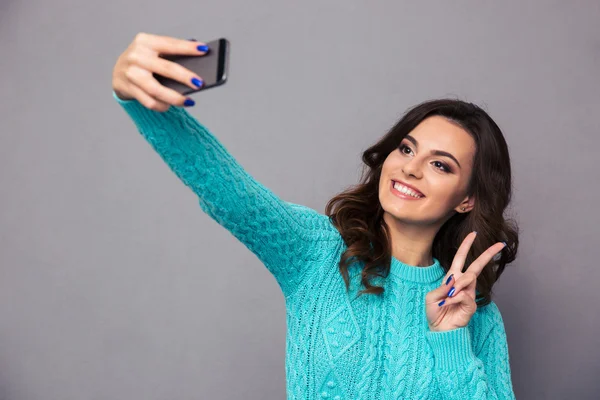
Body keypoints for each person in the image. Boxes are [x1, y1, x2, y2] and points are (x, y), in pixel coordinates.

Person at [111, 32, 518, 399]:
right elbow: (228, 191)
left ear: (467, 200)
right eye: (407, 149)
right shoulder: (317, 252)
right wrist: (140, 100)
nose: (411, 168)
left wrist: (449, 341)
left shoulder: (476, 313)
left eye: (441, 165)